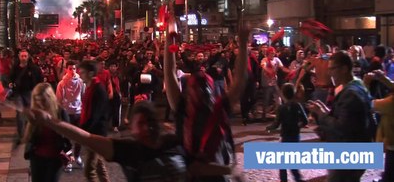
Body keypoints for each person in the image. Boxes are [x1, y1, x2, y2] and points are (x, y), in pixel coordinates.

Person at [164, 17, 250, 181]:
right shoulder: (183, 110)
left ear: (212, 90)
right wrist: (169, 42)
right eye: (198, 87)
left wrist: (244, 44)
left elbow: (239, 80)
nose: (202, 92)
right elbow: (170, 73)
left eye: (205, 87)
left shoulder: (219, 108)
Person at [26, 101, 188, 182]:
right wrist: (49, 121)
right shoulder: (129, 151)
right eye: (140, 123)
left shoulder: (173, 142)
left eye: (150, 121)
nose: (147, 128)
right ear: (131, 128)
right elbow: (86, 138)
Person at [308, 51, 374, 182]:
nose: (329, 73)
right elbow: (347, 117)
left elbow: (341, 127)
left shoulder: (351, 93)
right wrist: (326, 111)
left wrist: (321, 114)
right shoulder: (356, 84)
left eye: (332, 69)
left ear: (344, 69)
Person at [23, 83, 71, 182]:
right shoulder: (35, 113)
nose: (40, 104)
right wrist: (30, 123)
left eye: (43, 100)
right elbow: (27, 139)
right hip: (37, 158)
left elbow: (69, 136)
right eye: (37, 100)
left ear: (50, 98)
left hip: (55, 158)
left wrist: (67, 154)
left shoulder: (60, 112)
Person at [266, 83, 307, 182]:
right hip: (295, 136)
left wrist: (269, 128)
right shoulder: (297, 105)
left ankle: (284, 180)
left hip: (285, 137)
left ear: (283, 94)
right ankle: (298, 179)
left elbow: (276, 124)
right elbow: (305, 120)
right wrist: (298, 126)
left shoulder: (281, 108)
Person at [78, 60, 110, 182]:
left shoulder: (98, 89)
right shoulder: (90, 87)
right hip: (92, 132)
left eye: (83, 72)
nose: (80, 74)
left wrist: (83, 131)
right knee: (99, 165)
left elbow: (95, 115)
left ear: (91, 73)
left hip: (96, 133)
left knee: (89, 171)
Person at [363, 71, 394, 182]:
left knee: (390, 168)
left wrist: (366, 84)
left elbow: (369, 103)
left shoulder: (390, 102)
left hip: (391, 141)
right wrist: (383, 79)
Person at [55, 60, 85, 171]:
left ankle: (77, 156)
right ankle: (67, 161)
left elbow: (83, 96)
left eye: (74, 68)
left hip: (78, 112)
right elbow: (58, 100)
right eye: (70, 68)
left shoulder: (81, 82)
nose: (72, 71)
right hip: (66, 113)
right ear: (66, 69)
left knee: (79, 137)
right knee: (65, 139)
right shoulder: (61, 84)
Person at [9, 49, 43, 142]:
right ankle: (22, 135)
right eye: (22, 56)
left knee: (30, 114)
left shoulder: (34, 68)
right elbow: (11, 78)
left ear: (28, 57)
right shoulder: (15, 68)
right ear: (19, 57)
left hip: (30, 93)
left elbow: (40, 79)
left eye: (25, 56)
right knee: (20, 114)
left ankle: (30, 134)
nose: (23, 58)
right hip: (18, 93)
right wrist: (11, 84)